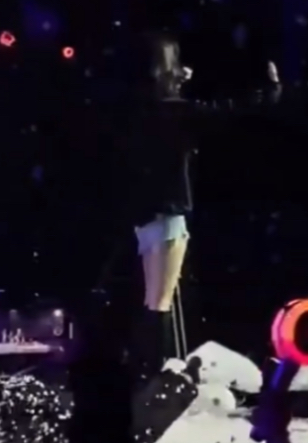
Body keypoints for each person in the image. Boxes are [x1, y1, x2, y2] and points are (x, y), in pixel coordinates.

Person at [120, 31, 282, 378]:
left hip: (145, 215)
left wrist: (177, 85)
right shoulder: (176, 113)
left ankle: (148, 372)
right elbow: (228, 114)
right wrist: (270, 92)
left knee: (153, 300)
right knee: (160, 303)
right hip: (168, 214)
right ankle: (158, 374)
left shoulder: (140, 110)